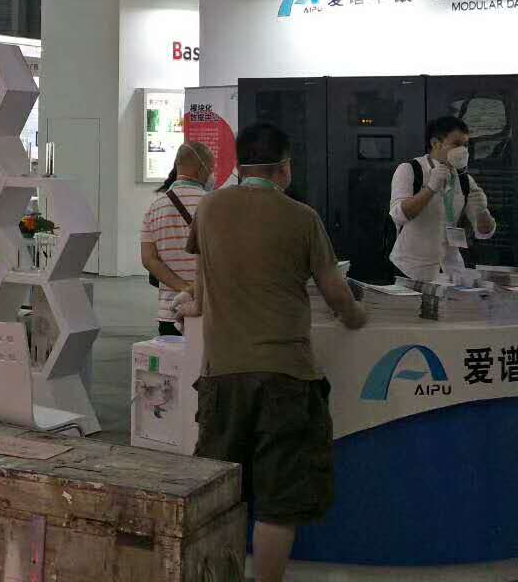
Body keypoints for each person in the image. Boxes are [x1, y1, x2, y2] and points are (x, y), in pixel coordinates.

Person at [186, 122, 366, 582]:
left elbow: (202, 281)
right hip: (287, 376)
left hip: (223, 374)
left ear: (239, 165)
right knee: (279, 501)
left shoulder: (208, 208)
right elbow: (336, 293)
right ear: (284, 168)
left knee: (218, 493)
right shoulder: (302, 217)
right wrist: (356, 317)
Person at [388, 115, 497, 280]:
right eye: (457, 144)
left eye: (466, 145)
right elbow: (399, 215)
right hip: (411, 268)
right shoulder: (410, 170)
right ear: (435, 143)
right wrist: (430, 189)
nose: (463, 151)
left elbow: (484, 232)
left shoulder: (464, 180)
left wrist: (482, 211)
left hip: (452, 270)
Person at [140, 141, 214, 337]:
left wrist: (184, 289)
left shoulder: (155, 207)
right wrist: (194, 291)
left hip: (170, 312)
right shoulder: (212, 204)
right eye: (211, 168)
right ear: (201, 169)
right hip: (207, 309)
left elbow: (148, 259)